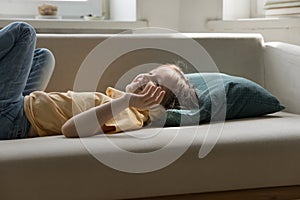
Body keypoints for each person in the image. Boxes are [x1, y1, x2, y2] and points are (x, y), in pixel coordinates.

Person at [0, 22, 198, 140]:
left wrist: (125, 101)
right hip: (22, 106)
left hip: (12, 118)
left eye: (155, 83)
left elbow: (69, 129)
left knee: (24, 32)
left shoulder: (131, 115)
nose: (145, 76)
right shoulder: (124, 107)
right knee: (44, 56)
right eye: (151, 72)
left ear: (157, 109)